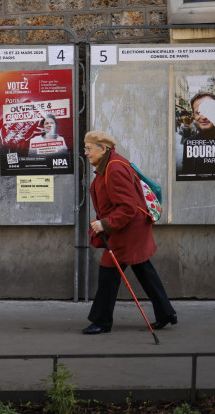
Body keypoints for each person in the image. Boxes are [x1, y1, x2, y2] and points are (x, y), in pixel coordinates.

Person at [82, 130, 176, 335]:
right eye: (85, 148)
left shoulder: (114, 168)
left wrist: (105, 224)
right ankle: (166, 313)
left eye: (89, 149)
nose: (86, 153)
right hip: (131, 228)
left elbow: (127, 207)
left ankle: (101, 321)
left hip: (127, 231)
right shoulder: (109, 164)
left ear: (103, 149)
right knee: (144, 271)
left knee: (108, 274)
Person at [180, 92, 215, 179]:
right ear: (194, 116)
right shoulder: (189, 143)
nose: (203, 117)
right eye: (198, 112)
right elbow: (186, 175)